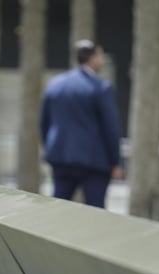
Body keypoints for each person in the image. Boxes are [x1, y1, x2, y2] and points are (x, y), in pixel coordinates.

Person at [40, 39, 123, 208]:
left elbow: (44, 123)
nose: (101, 60)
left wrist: (49, 148)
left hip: (61, 158)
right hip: (94, 161)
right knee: (95, 212)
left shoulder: (55, 85)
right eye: (100, 56)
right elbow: (110, 128)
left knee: (58, 207)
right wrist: (115, 161)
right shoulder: (101, 88)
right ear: (93, 58)